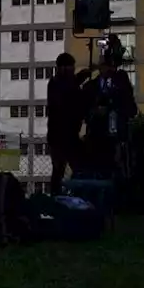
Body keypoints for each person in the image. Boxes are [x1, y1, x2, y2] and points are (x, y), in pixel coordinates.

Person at [80, 42, 137, 178]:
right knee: (97, 170)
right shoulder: (90, 86)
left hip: (117, 137)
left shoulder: (120, 80)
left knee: (117, 170)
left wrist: (112, 107)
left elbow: (129, 105)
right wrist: (94, 111)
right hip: (96, 138)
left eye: (109, 65)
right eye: (104, 65)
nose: (107, 68)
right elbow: (84, 109)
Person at [46, 52, 91, 194]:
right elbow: (68, 95)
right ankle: (59, 197)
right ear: (63, 68)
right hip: (60, 135)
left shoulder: (62, 83)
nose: (72, 70)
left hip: (67, 134)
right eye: (70, 67)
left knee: (76, 167)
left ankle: (66, 195)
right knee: (61, 169)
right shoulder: (57, 84)